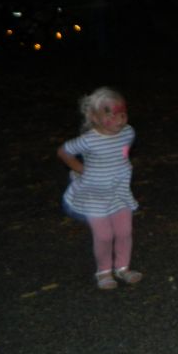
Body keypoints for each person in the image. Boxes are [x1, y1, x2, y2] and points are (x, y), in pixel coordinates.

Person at [57, 87, 143, 290]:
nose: (119, 119)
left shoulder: (128, 133)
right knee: (104, 235)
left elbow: (122, 153)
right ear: (94, 117)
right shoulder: (89, 140)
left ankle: (122, 267)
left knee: (124, 231)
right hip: (94, 196)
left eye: (122, 114)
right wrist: (81, 169)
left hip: (119, 193)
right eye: (109, 114)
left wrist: (120, 167)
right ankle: (103, 271)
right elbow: (63, 152)